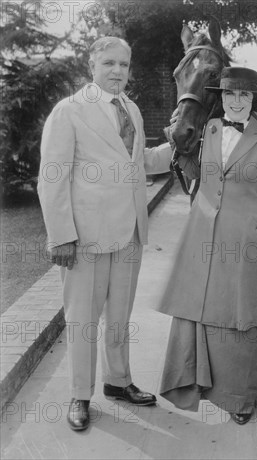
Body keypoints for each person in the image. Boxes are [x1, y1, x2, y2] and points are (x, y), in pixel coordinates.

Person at [37, 37, 174, 431]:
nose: (117, 71)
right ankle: (80, 395)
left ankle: (118, 381)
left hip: (130, 231)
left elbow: (139, 163)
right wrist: (60, 235)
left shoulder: (130, 108)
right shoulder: (68, 111)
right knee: (82, 320)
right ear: (92, 66)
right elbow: (52, 177)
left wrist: (175, 148)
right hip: (85, 236)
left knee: (119, 316)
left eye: (124, 64)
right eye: (109, 63)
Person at [156, 67, 257, 426]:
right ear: (221, 98)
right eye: (230, 95)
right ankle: (197, 384)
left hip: (248, 236)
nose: (237, 101)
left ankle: (239, 397)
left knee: (240, 317)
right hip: (204, 231)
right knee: (199, 309)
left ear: (253, 100)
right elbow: (191, 169)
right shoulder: (210, 129)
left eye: (244, 95)